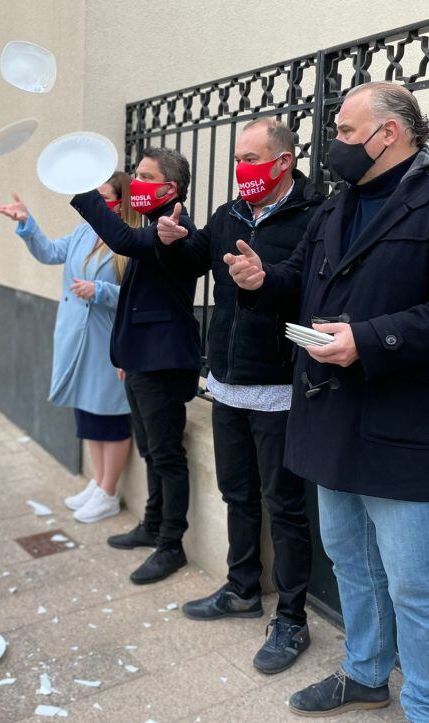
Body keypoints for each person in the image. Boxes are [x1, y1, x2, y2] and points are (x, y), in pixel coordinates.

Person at [226, 82, 429, 720]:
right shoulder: (336, 207)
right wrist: (262, 281)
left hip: (402, 423)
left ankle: (427, 709)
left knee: (415, 583)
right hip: (329, 412)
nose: (335, 145)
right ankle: (367, 674)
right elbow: (300, 281)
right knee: (351, 559)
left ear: (390, 133)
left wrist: (368, 341)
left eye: (347, 132)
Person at [154, 118, 321, 674]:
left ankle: (292, 619)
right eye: (236, 159)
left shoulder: (313, 214)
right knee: (237, 494)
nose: (241, 169)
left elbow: (308, 284)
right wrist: (172, 241)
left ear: (283, 162)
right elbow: (194, 258)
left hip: (277, 385)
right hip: (226, 382)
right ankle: (242, 588)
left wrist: (265, 276)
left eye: (251, 158)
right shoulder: (229, 215)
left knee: (285, 507)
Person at [70, 148, 201, 585]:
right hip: (140, 360)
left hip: (163, 364)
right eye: (137, 175)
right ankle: (151, 524)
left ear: (172, 188)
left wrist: (82, 191)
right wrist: (125, 355)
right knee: (149, 449)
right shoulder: (151, 226)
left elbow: (124, 241)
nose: (137, 184)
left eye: (146, 176)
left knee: (166, 455)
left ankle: (171, 545)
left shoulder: (175, 228)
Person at [0, 172, 139, 524]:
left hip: (108, 343)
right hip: (77, 339)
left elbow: (140, 299)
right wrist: (27, 222)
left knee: (111, 418)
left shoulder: (131, 242)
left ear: (122, 201)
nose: (98, 204)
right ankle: (97, 482)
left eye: (105, 198)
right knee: (87, 413)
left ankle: (108, 491)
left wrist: (100, 292)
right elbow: (49, 252)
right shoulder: (84, 232)